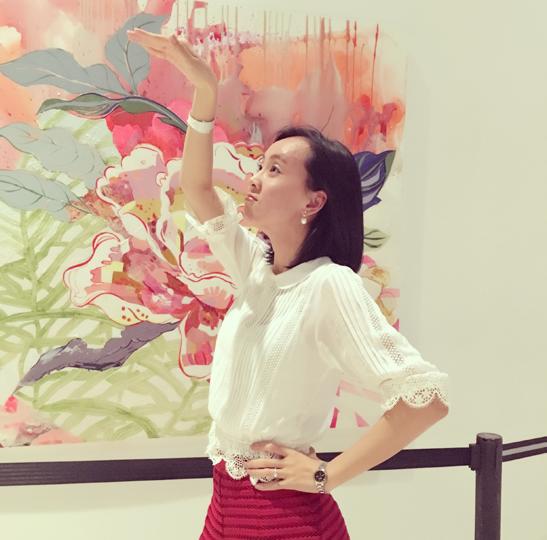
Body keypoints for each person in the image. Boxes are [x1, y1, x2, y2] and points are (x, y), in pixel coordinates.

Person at [127, 28, 450, 540]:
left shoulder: (329, 285)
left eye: (274, 169)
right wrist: (205, 91)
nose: (254, 178)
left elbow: (424, 402)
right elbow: (198, 188)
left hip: (285, 519)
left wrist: (326, 475)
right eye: (260, 165)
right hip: (224, 506)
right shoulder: (257, 270)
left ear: (313, 201)